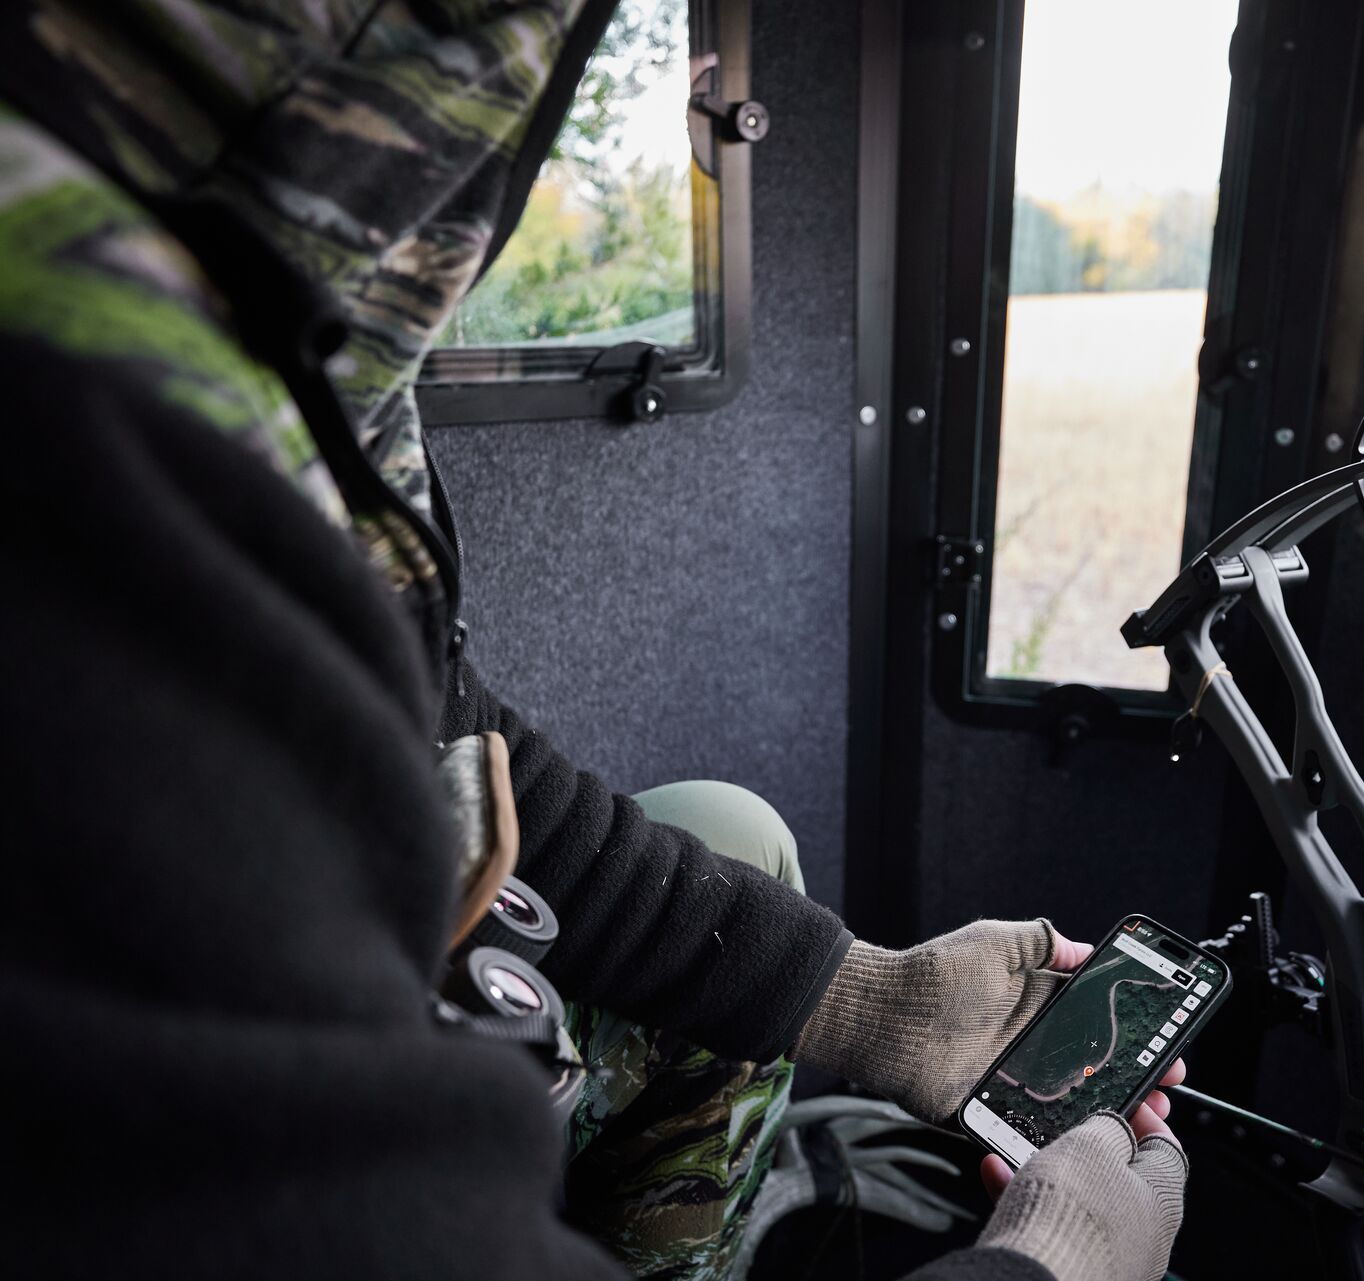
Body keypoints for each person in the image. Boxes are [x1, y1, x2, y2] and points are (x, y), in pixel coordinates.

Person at [0, 4, 1189, 1280]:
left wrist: (871, 1000)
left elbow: (440, 730)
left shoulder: (279, 352)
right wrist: (1048, 1269)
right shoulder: (77, 398)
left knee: (735, 837)